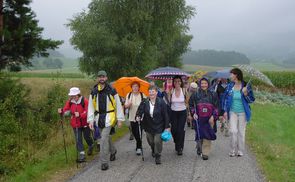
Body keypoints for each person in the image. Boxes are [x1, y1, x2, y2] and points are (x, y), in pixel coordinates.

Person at [87, 70, 125, 171]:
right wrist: (90, 120)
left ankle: (104, 162)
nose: (101, 79)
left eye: (103, 77)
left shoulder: (112, 90)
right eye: (100, 77)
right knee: (106, 137)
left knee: (103, 139)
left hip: (110, 117)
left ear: (106, 78)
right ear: (97, 78)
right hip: (99, 117)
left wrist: (120, 119)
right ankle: (113, 151)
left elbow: (118, 104)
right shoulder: (94, 91)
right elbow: (90, 107)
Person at [222, 68, 255, 157]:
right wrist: (224, 111)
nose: (230, 76)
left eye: (231, 74)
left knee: (241, 132)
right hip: (232, 112)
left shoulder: (246, 86)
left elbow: (251, 100)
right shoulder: (230, 86)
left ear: (236, 75)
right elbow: (224, 98)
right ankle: (232, 150)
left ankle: (240, 150)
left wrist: (246, 94)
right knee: (233, 131)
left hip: (243, 112)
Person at [135, 85, 170, 165]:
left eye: (153, 91)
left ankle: (158, 155)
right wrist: (138, 116)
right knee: (151, 141)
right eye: (150, 92)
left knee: (157, 141)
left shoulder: (161, 102)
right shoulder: (144, 102)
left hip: (159, 125)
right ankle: (153, 149)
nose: (151, 93)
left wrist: (167, 127)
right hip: (148, 125)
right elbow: (139, 111)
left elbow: (165, 115)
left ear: (156, 92)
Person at [58, 87, 94, 162]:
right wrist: (61, 111)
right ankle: (82, 154)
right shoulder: (70, 102)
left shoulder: (85, 101)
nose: (73, 97)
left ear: (78, 94)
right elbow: (66, 110)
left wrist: (80, 115)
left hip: (85, 123)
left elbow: (88, 111)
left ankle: (91, 145)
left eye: (74, 96)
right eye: (72, 96)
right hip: (75, 123)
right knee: (78, 139)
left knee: (87, 137)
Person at [189, 77, 219, 160]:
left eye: (205, 83)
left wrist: (214, 116)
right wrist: (193, 113)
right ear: (199, 84)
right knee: (199, 136)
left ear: (208, 84)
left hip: (209, 119)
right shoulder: (195, 94)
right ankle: (199, 146)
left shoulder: (213, 94)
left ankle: (205, 152)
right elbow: (191, 105)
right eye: (202, 83)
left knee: (207, 134)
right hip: (199, 119)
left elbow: (217, 107)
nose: (204, 85)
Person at [168, 76, 188, 156]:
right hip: (173, 112)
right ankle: (177, 142)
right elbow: (168, 102)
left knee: (180, 130)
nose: (177, 83)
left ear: (181, 82)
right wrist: (167, 93)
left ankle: (179, 148)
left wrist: (189, 113)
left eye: (179, 81)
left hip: (182, 112)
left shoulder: (184, 90)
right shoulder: (171, 90)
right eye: (175, 81)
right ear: (173, 82)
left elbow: (187, 102)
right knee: (173, 130)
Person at [124, 81, 146, 155]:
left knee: (140, 132)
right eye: (133, 86)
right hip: (132, 117)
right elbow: (125, 106)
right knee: (135, 132)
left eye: (136, 86)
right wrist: (128, 105)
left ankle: (138, 147)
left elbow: (146, 105)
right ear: (131, 87)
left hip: (141, 117)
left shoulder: (143, 95)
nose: (135, 88)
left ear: (139, 87)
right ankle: (139, 143)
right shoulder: (129, 95)